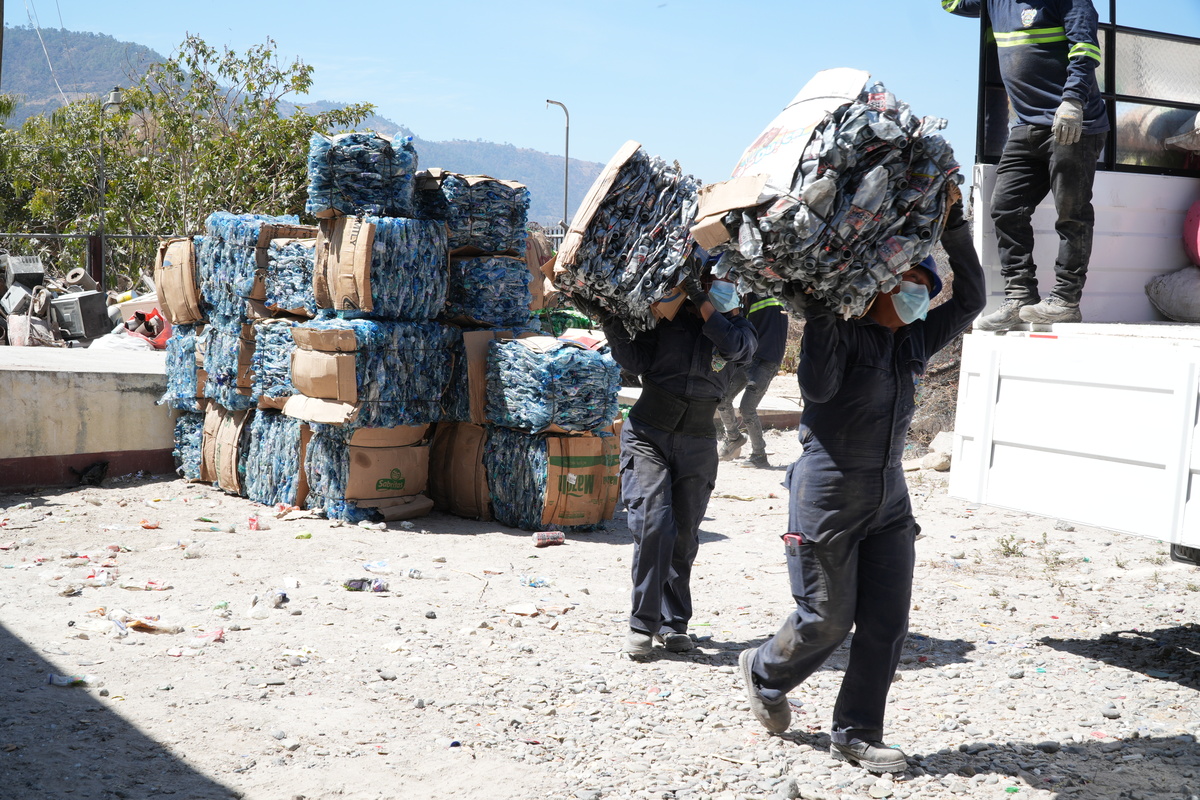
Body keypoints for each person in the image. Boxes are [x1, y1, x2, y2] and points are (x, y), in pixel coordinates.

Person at [738, 199, 984, 773]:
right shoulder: (842, 333)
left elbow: (971, 299)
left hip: (889, 498)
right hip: (827, 492)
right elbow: (819, 389)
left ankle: (856, 731)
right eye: (908, 281)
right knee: (826, 617)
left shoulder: (915, 339)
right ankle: (763, 670)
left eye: (926, 285)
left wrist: (954, 229)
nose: (919, 294)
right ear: (874, 288)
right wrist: (824, 313)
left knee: (887, 621)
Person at [601, 258, 756, 657]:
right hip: (649, 433)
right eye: (717, 280)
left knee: (684, 534)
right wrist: (610, 319)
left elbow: (736, 348)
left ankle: (674, 625)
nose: (727, 285)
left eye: (729, 282)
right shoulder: (666, 316)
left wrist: (708, 304)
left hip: (699, 440)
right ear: (698, 281)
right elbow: (636, 362)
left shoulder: (739, 327)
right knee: (654, 524)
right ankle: (642, 623)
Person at [944, 0, 1108, 329]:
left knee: (1071, 213)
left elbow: (1086, 48)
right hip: (1026, 127)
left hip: (1072, 122)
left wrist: (1073, 99)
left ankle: (1065, 300)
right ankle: (1020, 296)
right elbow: (952, 4)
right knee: (1005, 207)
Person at [717, 292, 788, 468]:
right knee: (723, 398)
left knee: (747, 408)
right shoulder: (747, 298)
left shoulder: (775, 294)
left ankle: (759, 455)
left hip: (767, 360)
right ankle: (734, 438)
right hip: (749, 358)